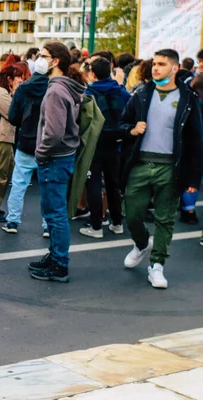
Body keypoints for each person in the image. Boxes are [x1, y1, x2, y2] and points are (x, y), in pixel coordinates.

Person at [120, 49, 202, 289]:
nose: (155, 68)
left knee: (165, 219)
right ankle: (141, 243)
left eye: (161, 64)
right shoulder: (141, 93)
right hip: (141, 164)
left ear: (174, 68)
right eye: (154, 64)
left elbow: (196, 140)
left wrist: (194, 177)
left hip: (171, 167)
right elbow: (122, 123)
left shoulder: (188, 98)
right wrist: (131, 130)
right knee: (132, 214)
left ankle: (157, 265)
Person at [28, 42, 86, 283]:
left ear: (56, 61)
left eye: (44, 56)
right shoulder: (65, 88)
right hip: (62, 156)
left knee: (54, 213)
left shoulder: (55, 91)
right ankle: (55, 256)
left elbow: (53, 132)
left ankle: (59, 263)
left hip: (54, 158)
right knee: (53, 212)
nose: (39, 60)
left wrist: (41, 153)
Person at [80, 57, 130, 239]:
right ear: (111, 71)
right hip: (116, 142)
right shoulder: (122, 92)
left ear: (92, 73)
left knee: (93, 183)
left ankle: (96, 226)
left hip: (94, 142)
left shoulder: (88, 94)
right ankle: (117, 223)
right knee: (113, 184)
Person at [3, 56, 50, 235]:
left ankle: (12, 222)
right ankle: (47, 225)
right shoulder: (52, 88)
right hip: (46, 143)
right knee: (46, 187)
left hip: (25, 141)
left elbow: (13, 117)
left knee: (19, 184)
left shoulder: (23, 89)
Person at [0, 65, 23, 223]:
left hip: (3, 136)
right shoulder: (1, 93)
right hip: (1, 137)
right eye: (18, 77)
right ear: (9, 78)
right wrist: (16, 92)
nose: (20, 80)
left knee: (4, 172)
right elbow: (15, 112)